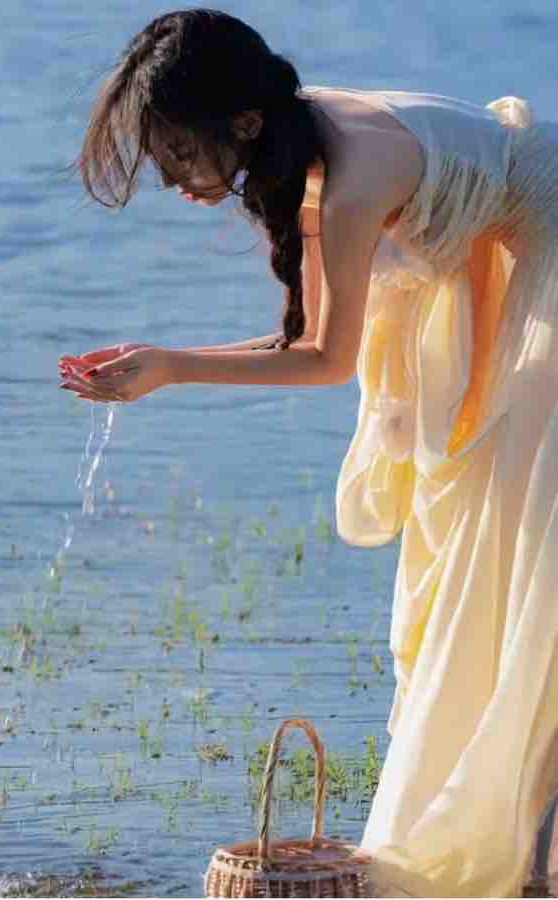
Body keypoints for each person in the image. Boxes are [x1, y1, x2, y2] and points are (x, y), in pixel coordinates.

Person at [58, 8, 558, 898]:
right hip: (530, 256)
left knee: (528, 562)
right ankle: (535, 849)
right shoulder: (302, 141)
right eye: (162, 157)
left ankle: (527, 853)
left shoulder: (349, 180)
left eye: (181, 152)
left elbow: (328, 361)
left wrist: (171, 368)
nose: (172, 177)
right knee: (506, 565)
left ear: (245, 122)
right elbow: (307, 339)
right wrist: (162, 359)